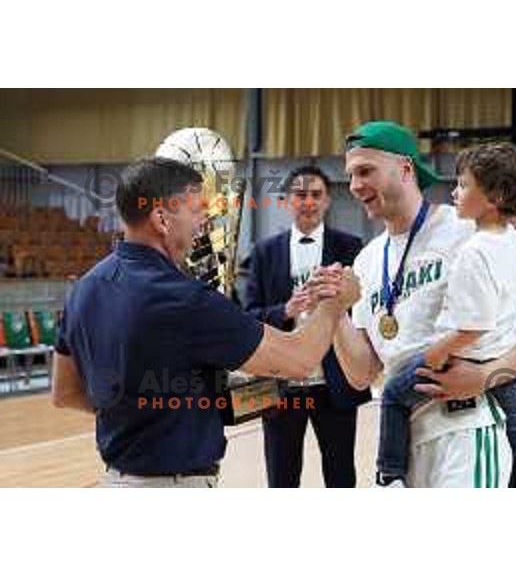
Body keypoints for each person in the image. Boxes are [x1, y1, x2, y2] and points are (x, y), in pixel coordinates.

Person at [51, 157, 360, 488]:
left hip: (116, 480)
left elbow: (65, 392)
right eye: (197, 209)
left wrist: (140, 408)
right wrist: (334, 305)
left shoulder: (84, 288)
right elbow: (298, 360)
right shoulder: (186, 298)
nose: (205, 220)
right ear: (161, 219)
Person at [308, 121, 516, 488]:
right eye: (351, 175)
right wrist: (334, 312)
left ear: (405, 168)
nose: (354, 186)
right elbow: (362, 373)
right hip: (404, 441)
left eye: (366, 171)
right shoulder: (367, 260)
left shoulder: (470, 230)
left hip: (466, 428)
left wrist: (486, 375)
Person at [376, 142, 516, 488]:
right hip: (505, 358)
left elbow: (473, 327)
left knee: (394, 395)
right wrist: (514, 289)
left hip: (463, 357)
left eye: (463, 185)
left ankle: (390, 473)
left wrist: (440, 352)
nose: (454, 192)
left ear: (495, 197)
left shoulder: (472, 252)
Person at [246, 165, 369, 487]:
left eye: (316, 195)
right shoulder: (263, 252)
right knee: (282, 477)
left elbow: (366, 310)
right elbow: (249, 315)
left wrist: (336, 306)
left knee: (341, 475)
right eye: (300, 195)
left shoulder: (352, 247)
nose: (308, 202)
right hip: (280, 381)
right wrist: (285, 309)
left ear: (328, 201)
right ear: (287, 201)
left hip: (335, 379)